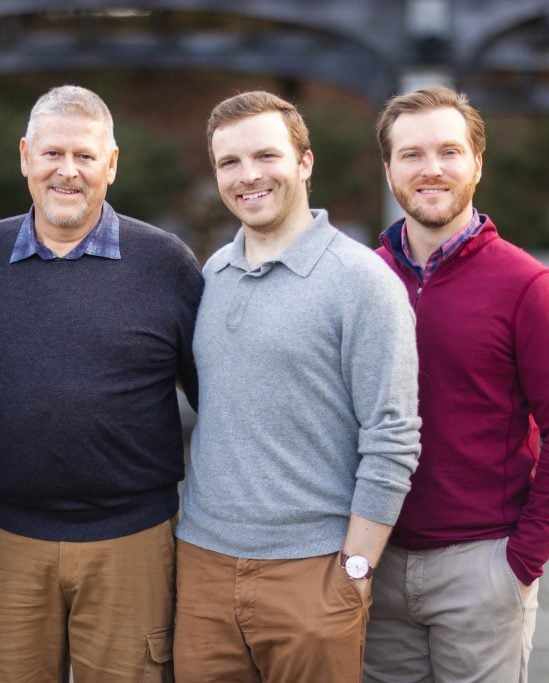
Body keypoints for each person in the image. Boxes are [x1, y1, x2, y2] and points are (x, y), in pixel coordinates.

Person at [0, 84, 203, 682]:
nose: (68, 172)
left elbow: (216, 397)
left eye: (86, 156)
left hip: (133, 543)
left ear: (111, 165)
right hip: (10, 538)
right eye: (52, 154)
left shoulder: (165, 262)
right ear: (25, 158)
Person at [173, 90, 422, 682]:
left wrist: (355, 570)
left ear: (304, 163)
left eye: (266, 156)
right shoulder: (213, 274)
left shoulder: (362, 281)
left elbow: (393, 436)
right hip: (202, 564)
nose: (248, 176)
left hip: (313, 570)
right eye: (229, 163)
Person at [364, 86, 549, 682]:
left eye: (449, 151)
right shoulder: (362, 279)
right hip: (374, 559)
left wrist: (521, 562)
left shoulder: (528, 286)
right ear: (389, 169)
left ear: (477, 164)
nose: (431, 169)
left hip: (481, 568)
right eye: (412, 154)